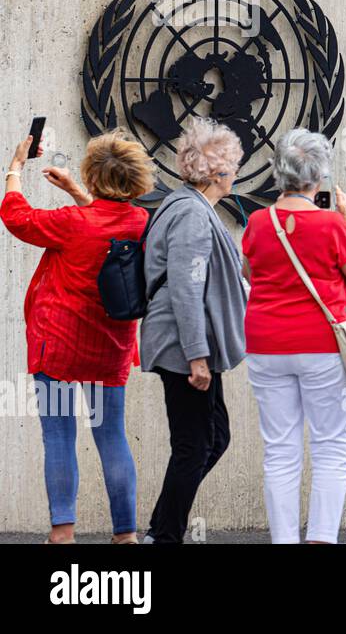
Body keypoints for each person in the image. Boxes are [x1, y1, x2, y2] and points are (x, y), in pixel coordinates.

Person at [1, 129, 154, 543]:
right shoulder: (142, 224)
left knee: (58, 435)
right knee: (112, 435)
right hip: (111, 348)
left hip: (58, 345)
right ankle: (125, 535)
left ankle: (63, 533)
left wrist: (15, 168)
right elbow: (107, 222)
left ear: (91, 176)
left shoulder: (72, 223)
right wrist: (76, 191)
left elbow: (17, 217)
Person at [242, 129, 346, 543]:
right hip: (322, 346)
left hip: (265, 345)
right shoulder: (332, 225)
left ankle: (283, 539)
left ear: (278, 172)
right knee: (330, 448)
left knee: (280, 451)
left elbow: (249, 274)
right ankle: (320, 538)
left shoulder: (257, 222)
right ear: (319, 175)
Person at [139, 118, 248, 544]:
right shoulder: (190, 215)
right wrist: (197, 356)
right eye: (233, 165)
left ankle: (160, 529)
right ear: (217, 171)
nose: (235, 172)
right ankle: (164, 536)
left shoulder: (190, 205)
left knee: (213, 437)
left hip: (187, 342)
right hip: (183, 346)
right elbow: (186, 286)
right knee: (194, 445)